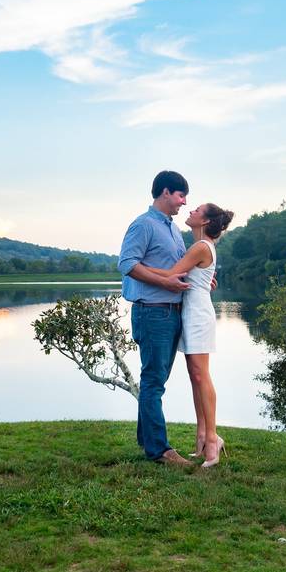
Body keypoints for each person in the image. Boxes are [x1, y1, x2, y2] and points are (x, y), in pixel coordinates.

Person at [146, 203, 234, 468]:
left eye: (196, 210)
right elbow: (193, 276)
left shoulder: (200, 246)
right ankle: (201, 437)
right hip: (190, 312)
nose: (191, 211)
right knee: (195, 377)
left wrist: (137, 268)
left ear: (205, 222)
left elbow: (173, 273)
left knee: (200, 375)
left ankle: (212, 441)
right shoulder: (198, 247)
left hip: (198, 316)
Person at [117, 171, 194, 466]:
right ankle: (160, 450)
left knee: (155, 380)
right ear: (165, 192)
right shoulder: (144, 224)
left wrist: (200, 280)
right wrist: (165, 284)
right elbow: (127, 264)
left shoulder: (173, 230)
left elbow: (178, 268)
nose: (184, 202)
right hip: (152, 313)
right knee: (153, 382)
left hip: (171, 313)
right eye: (180, 195)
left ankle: (146, 440)